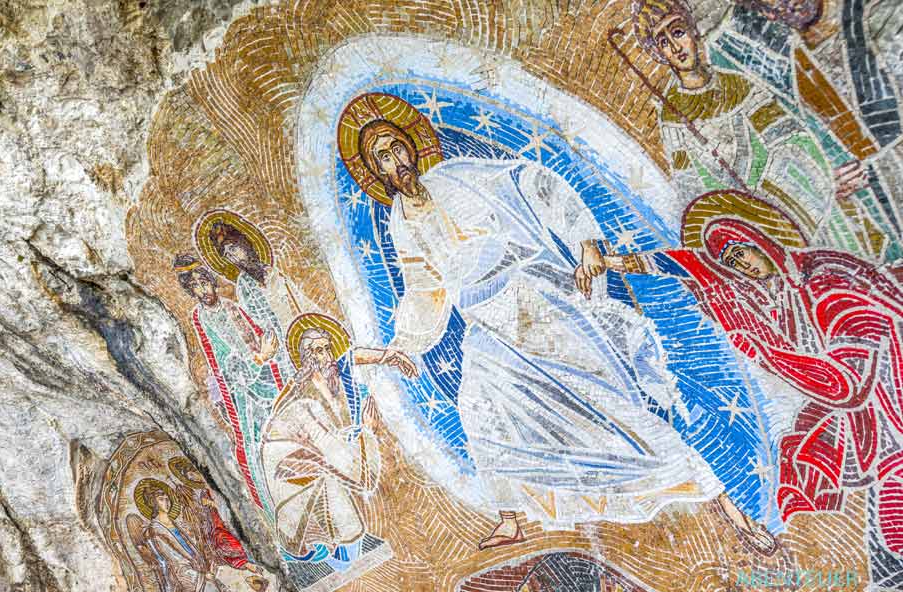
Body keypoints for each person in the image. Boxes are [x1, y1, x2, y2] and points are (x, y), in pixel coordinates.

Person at [345, 105, 729, 549]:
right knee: (477, 407)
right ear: (378, 174)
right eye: (385, 160)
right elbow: (424, 289)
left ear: (412, 146)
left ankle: (703, 487)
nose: (398, 162)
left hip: (529, 302)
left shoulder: (457, 177)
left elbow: (537, 182)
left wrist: (586, 244)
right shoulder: (400, 222)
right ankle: (511, 517)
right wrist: (403, 346)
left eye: (398, 149)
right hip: (483, 322)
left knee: (600, 402)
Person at [575, 191, 903, 555]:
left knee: (890, 508)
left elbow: (846, 388)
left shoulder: (828, 283)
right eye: (730, 260)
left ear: (762, 242)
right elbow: (675, 263)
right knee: (805, 469)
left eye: (742, 251)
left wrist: (763, 350)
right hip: (851, 417)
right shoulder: (768, 290)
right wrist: (600, 257)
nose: (740, 264)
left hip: (889, 404)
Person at [629, 0, 884, 258]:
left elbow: (791, 140)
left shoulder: (736, 84)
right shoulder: (672, 115)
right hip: (739, 227)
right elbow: (690, 185)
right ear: (658, 54)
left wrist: (796, 190)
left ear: (693, 31)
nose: (675, 47)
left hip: (781, 206)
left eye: (678, 32)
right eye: (663, 42)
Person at [260, 324, 417, 557]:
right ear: (309, 358)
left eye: (328, 348)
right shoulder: (303, 397)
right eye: (320, 351)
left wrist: (388, 356)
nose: (329, 356)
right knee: (332, 473)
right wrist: (367, 431)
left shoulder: (334, 374)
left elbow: (351, 356)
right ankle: (335, 544)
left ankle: (344, 544)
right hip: (290, 463)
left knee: (333, 467)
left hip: (318, 448)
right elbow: (363, 478)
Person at [175, 252, 291, 518]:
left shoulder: (231, 306)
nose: (203, 291)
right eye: (195, 288)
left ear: (213, 282)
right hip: (244, 395)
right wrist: (259, 357)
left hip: (266, 382)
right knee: (258, 449)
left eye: (204, 283)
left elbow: (256, 335)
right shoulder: (202, 319)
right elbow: (226, 363)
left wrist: (266, 353)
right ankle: (278, 513)